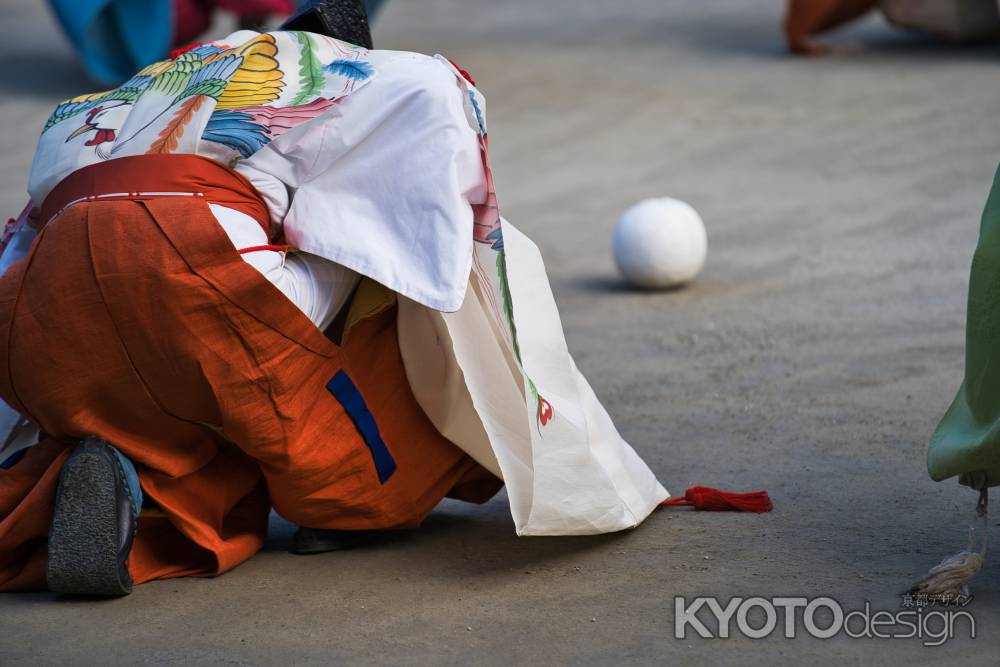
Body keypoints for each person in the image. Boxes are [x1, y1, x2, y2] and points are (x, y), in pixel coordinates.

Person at [0, 0, 667, 596]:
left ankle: (115, 476)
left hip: (38, 302)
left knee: (142, 403)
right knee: (391, 296)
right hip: (189, 254)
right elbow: (435, 166)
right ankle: (348, 499)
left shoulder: (148, 85)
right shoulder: (337, 72)